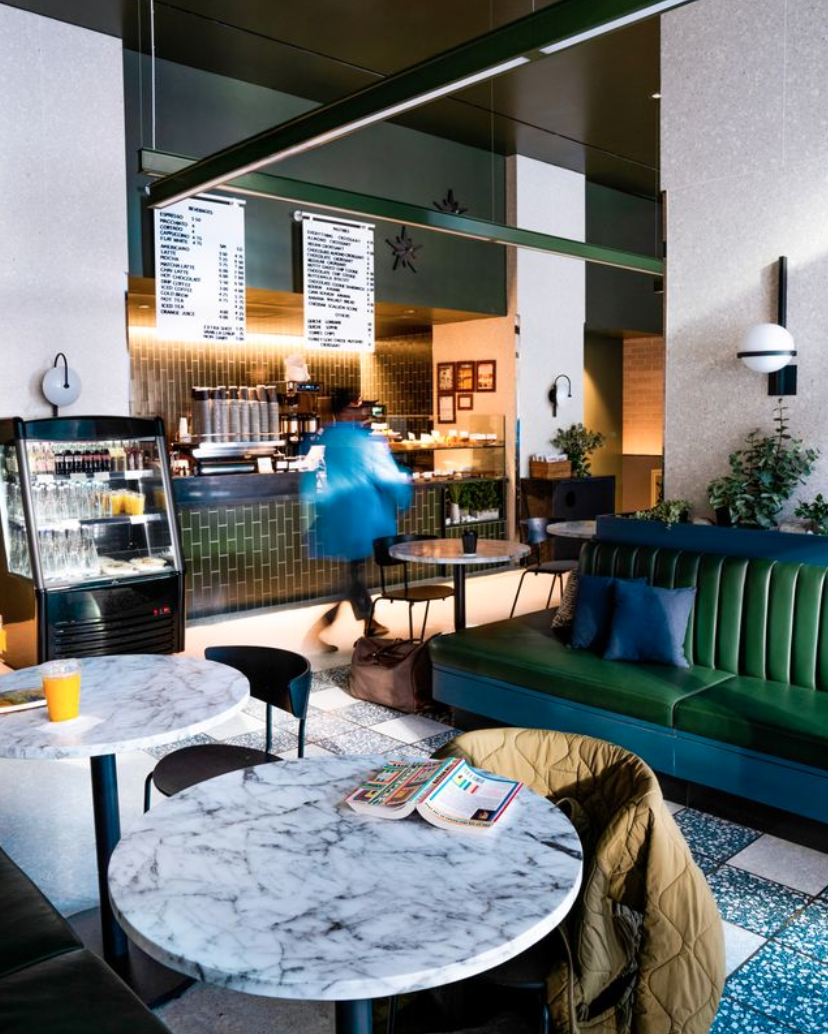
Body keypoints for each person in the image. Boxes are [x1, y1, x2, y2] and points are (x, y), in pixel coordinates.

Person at [302, 388, 412, 652]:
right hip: (363, 515)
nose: (362, 412)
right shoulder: (365, 440)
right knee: (353, 573)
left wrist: (320, 504)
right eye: (356, 408)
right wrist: (404, 490)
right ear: (345, 410)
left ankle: (368, 624)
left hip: (335, 515)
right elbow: (386, 475)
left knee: (354, 571)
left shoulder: (321, 438)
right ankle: (324, 629)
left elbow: (309, 478)